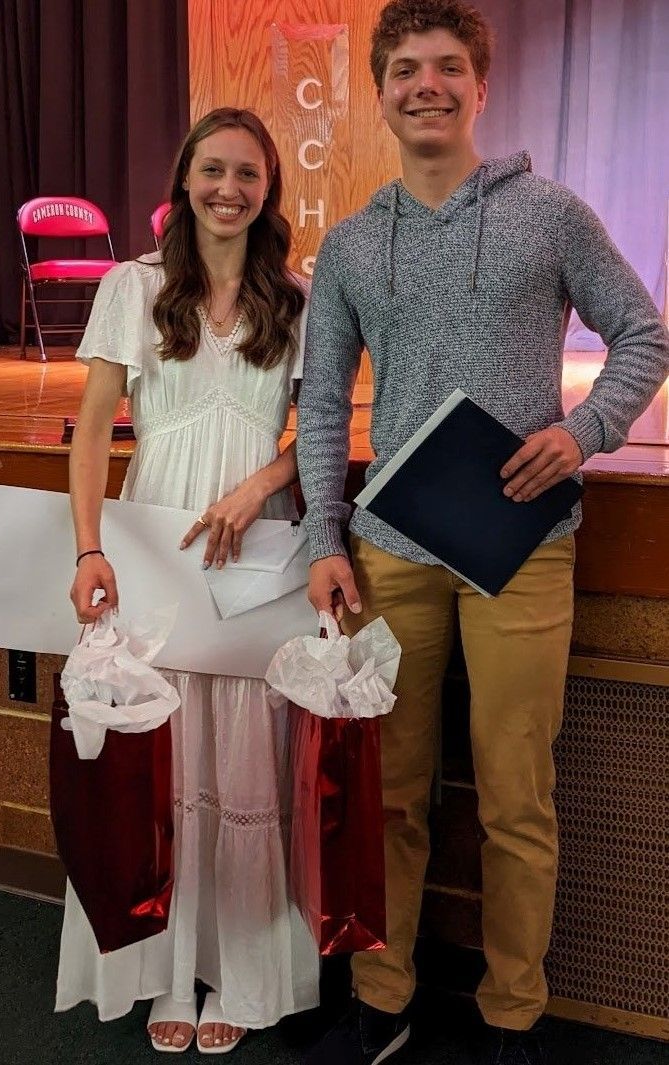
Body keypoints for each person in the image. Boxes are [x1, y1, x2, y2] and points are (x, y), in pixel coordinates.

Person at [296, 2, 669, 1064]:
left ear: (479, 86)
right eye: (406, 69)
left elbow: (641, 334)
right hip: (389, 553)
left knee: (516, 800)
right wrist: (325, 535)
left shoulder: (548, 215)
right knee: (389, 797)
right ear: (379, 93)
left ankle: (512, 1016)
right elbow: (320, 400)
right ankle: (383, 1000)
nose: (428, 84)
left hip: (523, 550)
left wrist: (584, 431)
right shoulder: (351, 244)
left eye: (448, 66)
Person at [56, 107, 319, 1054]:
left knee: (243, 757)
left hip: (256, 547)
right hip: (154, 540)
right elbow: (93, 427)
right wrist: (88, 547)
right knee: (158, 765)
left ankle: (237, 971)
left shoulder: (296, 298)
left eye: (247, 174)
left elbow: (319, 434)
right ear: (184, 179)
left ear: (268, 189)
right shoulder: (132, 286)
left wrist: (258, 484)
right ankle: (167, 969)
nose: (228, 189)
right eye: (213, 170)